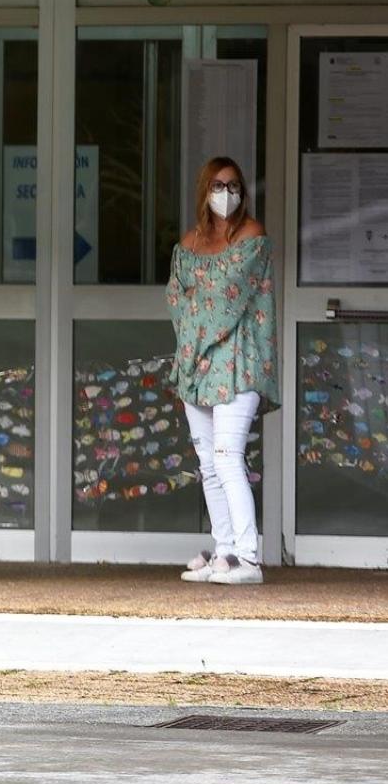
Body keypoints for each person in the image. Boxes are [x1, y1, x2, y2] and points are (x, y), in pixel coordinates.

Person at [168, 156, 277, 586]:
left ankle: (249, 558)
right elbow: (177, 298)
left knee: (229, 457)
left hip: (238, 364)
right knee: (208, 464)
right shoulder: (188, 243)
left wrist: (196, 322)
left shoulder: (252, 236)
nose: (226, 194)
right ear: (203, 190)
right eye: (217, 185)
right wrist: (195, 331)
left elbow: (225, 297)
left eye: (233, 186)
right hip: (196, 367)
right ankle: (225, 552)